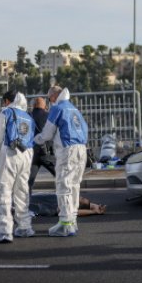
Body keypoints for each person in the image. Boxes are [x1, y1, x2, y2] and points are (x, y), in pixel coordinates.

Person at [34, 86, 88, 237]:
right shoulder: (74, 109)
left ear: (53, 97)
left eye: (49, 98)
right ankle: (72, 220)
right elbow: (85, 129)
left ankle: (64, 223)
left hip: (67, 149)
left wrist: (36, 139)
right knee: (75, 185)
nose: (49, 101)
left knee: (63, 185)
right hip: (81, 149)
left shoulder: (57, 108)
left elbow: (47, 133)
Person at [0, 91, 36, 243]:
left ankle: (5, 230)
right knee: (22, 191)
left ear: (7, 101)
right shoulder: (28, 117)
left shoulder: (7, 112)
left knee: (3, 190)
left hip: (10, 152)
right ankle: (24, 226)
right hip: (27, 153)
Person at [28, 96, 56, 193]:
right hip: (47, 152)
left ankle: (25, 205)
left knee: (28, 183)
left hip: (32, 153)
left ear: (34, 105)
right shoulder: (49, 116)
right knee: (61, 176)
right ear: (45, 106)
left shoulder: (28, 116)